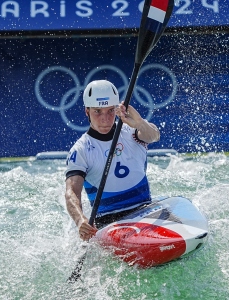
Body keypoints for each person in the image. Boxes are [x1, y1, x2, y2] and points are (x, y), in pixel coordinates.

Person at [65, 80, 160, 241]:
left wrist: (139, 123)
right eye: (97, 111)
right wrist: (80, 219)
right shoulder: (80, 150)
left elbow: (154, 136)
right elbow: (71, 192)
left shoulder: (131, 131)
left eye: (110, 111)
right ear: (86, 111)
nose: (105, 119)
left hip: (145, 211)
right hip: (109, 222)